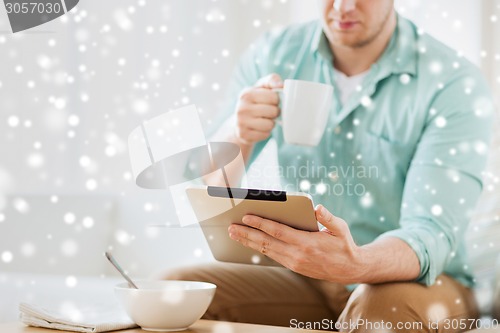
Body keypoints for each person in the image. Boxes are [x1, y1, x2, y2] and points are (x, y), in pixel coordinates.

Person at [164, 0, 495, 332]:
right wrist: (238, 134)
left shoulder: (452, 82)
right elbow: (210, 185)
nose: (344, 6)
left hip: (424, 281)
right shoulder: (275, 53)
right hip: (307, 276)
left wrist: (356, 264)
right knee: (171, 295)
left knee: (380, 310)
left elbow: (430, 233)